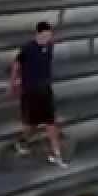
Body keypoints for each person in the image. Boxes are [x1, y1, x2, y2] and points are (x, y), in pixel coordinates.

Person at [10, 21, 67, 167]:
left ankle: (56, 154)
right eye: (45, 35)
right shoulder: (28, 48)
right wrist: (13, 83)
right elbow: (16, 65)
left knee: (51, 123)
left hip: (45, 89)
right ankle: (22, 141)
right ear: (38, 34)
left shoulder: (50, 46)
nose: (48, 38)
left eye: (49, 35)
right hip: (30, 91)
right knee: (31, 124)